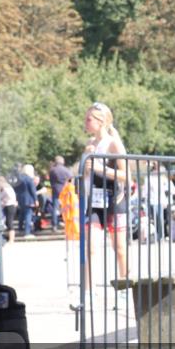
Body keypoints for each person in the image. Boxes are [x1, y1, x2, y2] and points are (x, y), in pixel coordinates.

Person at [83, 102, 129, 288]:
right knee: (91, 248)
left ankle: (125, 286)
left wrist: (101, 168)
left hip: (114, 199)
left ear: (101, 122)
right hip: (94, 200)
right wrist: (85, 160)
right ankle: (88, 290)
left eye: (89, 119)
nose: (85, 122)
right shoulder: (90, 145)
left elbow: (126, 176)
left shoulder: (113, 144)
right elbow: (85, 174)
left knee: (119, 248)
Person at [14, 164, 38, 237]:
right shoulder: (29, 179)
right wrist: (36, 199)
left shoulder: (19, 178)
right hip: (29, 199)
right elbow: (32, 190)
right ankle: (27, 232)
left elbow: (16, 189)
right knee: (28, 215)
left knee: (21, 214)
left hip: (20, 199)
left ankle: (20, 229)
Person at [49, 156, 72, 230]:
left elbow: (50, 180)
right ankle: (66, 223)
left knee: (55, 208)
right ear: (63, 162)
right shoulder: (66, 170)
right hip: (65, 191)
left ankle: (54, 225)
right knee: (66, 207)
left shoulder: (52, 170)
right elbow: (70, 179)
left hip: (55, 190)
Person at [0, 175, 18, 245]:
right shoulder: (4, 187)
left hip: (10, 205)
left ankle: (11, 239)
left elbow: (9, 197)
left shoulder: (6, 187)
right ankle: (9, 238)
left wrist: (2, 201)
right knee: (7, 222)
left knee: (9, 222)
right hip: (7, 205)